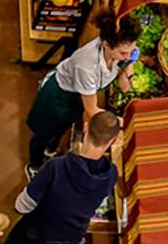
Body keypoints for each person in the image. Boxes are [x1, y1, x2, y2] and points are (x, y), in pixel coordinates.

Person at [0, 110, 121, 244]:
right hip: (73, 239)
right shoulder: (110, 175)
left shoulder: (56, 167)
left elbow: (23, 205)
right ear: (114, 141)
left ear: (85, 129)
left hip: (42, 237)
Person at [24, 10, 141, 173]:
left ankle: (50, 150)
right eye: (123, 53)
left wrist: (129, 64)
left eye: (132, 51)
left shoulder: (120, 53)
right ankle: (34, 164)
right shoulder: (86, 65)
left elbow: (124, 87)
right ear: (106, 44)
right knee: (44, 133)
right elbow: (92, 110)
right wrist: (122, 123)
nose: (127, 55)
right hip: (58, 98)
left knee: (62, 128)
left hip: (77, 99)